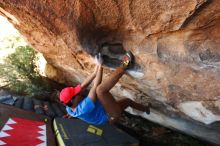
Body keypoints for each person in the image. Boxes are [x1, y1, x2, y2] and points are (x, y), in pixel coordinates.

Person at [59, 51, 151, 125]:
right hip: (110, 116)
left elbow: (83, 86)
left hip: (104, 109)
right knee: (100, 90)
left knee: (128, 101)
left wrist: (96, 70)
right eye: (77, 93)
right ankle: (125, 64)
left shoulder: (69, 107)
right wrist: (100, 65)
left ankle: (146, 109)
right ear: (72, 101)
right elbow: (95, 87)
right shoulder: (83, 108)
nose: (79, 92)